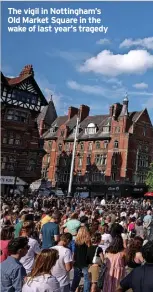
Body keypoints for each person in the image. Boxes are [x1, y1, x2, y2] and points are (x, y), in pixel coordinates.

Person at [71, 227, 91, 292]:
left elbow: (75, 252)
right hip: (85, 261)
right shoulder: (87, 241)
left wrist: (73, 260)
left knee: (76, 278)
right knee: (86, 279)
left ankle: (72, 290)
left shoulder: (76, 241)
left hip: (77, 261)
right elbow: (89, 252)